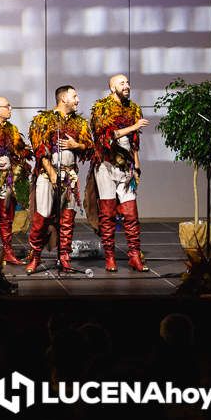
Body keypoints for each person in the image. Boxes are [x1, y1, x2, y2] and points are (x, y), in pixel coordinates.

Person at [25, 86, 94, 274]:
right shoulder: (44, 120)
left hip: (69, 175)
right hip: (48, 176)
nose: (78, 100)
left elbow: (89, 147)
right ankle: (35, 256)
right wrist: (51, 173)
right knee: (42, 217)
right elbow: (39, 149)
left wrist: (76, 144)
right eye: (74, 96)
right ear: (63, 98)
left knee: (67, 218)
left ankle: (64, 258)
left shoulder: (80, 123)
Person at [89, 74, 149, 272]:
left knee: (131, 213)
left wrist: (137, 165)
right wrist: (134, 126)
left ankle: (134, 255)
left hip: (126, 167)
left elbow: (134, 142)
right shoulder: (101, 108)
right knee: (107, 214)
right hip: (106, 166)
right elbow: (106, 136)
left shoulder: (133, 109)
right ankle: (110, 258)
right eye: (122, 83)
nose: (127, 86)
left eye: (128, 83)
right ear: (112, 87)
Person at [0, 97, 31, 266]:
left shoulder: (12, 129)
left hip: (7, 179)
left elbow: (18, 149)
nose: (10, 109)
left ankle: (8, 251)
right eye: (6, 106)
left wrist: (24, 151)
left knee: (6, 217)